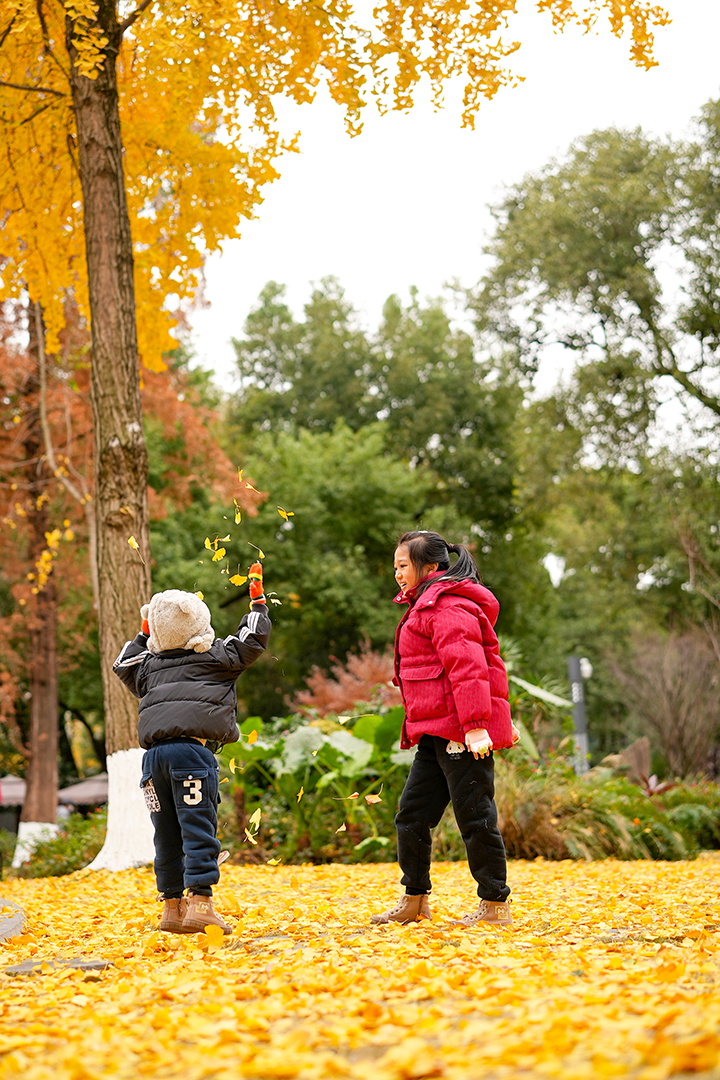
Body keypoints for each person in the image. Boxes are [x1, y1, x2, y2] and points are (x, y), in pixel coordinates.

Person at [113, 563, 270, 935]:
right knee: (198, 828)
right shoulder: (214, 656)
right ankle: (200, 902)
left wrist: (145, 631)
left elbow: (123, 663)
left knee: (165, 832)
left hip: (152, 763)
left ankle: (171, 908)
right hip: (192, 756)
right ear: (200, 624)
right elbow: (252, 640)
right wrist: (258, 604)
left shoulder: (148, 666)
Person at [371, 531, 518, 928]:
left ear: (430, 568)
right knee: (412, 815)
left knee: (475, 817)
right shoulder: (425, 606)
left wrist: (475, 727)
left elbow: (469, 670)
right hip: (435, 733)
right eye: (397, 565)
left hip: (461, 734)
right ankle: (415, 900)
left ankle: (493, 905)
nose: (397, 573)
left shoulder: (448, 608)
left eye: (403, 565)